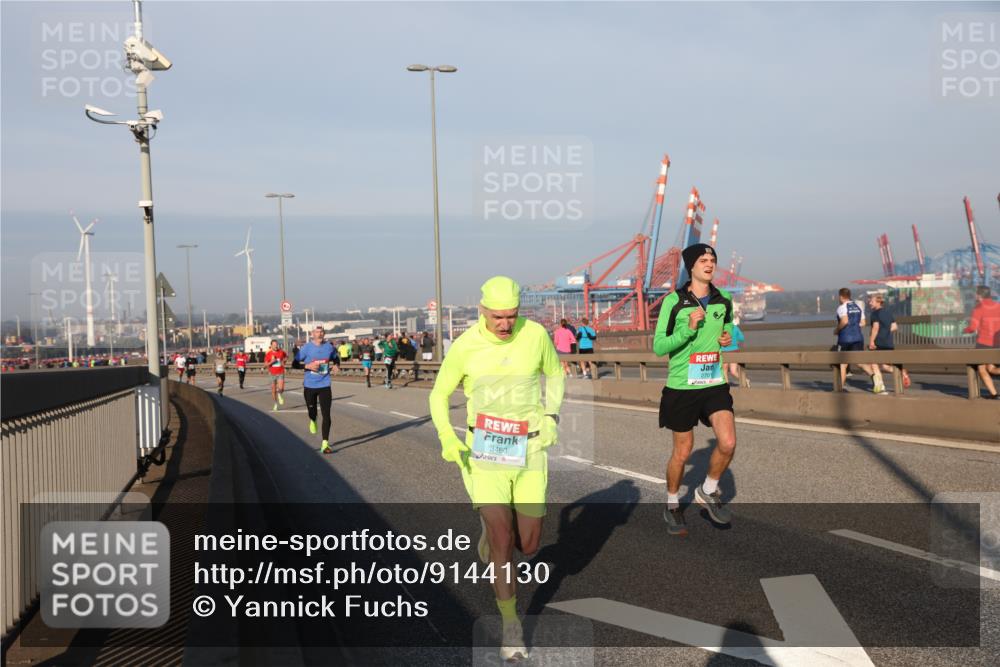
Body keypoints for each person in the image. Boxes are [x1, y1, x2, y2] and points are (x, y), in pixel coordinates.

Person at [429, 276, 563, 661]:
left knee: (529, 545)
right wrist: (447, 436)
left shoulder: (535, 335)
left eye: (511, 316)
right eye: (497, 317)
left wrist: (551, 415)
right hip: (485, 452)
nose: (505, 324)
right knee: (503, 539)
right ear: (482, 311)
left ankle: (492, 535)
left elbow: (555, 373)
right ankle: (511, 628)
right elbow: (439, 394)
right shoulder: (466, 345)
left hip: (530, 450)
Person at [655, 243, 737, 537]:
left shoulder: (723, 299)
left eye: (712, 259)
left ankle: (708, 490)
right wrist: (687, 329)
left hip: (714, 382)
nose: (709, 264)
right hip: (682, 386)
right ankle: (672, 504)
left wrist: (727, 337)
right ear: (691, 266)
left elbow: (729, 328)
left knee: (728, 442)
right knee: (683, 451)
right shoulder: (673, 302)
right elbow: (658, 346)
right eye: (703, 260)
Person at [834, 288, 885, 394]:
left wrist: (837, 330)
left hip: (845, 339)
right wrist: (854, 327)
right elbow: (863, 323)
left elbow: (844, 321)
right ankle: (874, 376)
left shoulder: (841, 307)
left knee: (842, 364)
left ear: (841, 297)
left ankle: (839, 388)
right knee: (860, 362)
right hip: (858, 338)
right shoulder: (858, 307)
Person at [295, 326, 337, 453]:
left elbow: (336, 358)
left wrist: (336, 365)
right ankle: (313, 419)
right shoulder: (306, 348)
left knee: (326, 414)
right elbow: (294, 363)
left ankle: (325, 443)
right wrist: (307, 366)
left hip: (325, 384)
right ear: (312, 334)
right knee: (312, 412)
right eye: (317, 332)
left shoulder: (329, 347)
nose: (320, 334)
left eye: (322, 332)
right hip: (310, 385)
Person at [963, 285, 1000, 399]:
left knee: (981, 368)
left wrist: (965, 330)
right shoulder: (998, 306)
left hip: (983, 343)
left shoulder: (979, 308)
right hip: (997, 343)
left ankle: (994, 394)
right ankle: (994, 395)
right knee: (991, 368)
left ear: (979, 295)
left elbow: (973, 328)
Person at [868, 293, 910, 389]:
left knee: (873, 363)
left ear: (878, 302)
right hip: (888, 343)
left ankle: (880, 385)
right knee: (885, 366)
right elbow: (895, 327)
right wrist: (885, 331)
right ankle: (902, 373)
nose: (870, 303)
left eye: (872, 301)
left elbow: (875, 328)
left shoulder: (875, 313)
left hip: (878, 342)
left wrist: (871, 341)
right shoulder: (888, 312)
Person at [721, 312, 747, 386]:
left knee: (724, 370)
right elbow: (742, 338)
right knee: (733, 371)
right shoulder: (735, 328)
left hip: (724, 351)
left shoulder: (721, 328)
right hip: (734, 351)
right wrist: (735, 340)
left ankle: (726, 386)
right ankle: (745, 380)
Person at [264, 340, 288, 411]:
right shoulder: (268, 354)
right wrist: (272, 361)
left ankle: (279, 394)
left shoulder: (281, 352)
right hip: (272, 374)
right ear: (271, 346)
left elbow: (286, 357)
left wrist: (284, 361)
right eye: (274, 345)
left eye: (276, 344)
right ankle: (275, 403)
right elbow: (265, 365)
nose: (275, 346)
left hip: (280, 372)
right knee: (273, 390)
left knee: (281, 388)